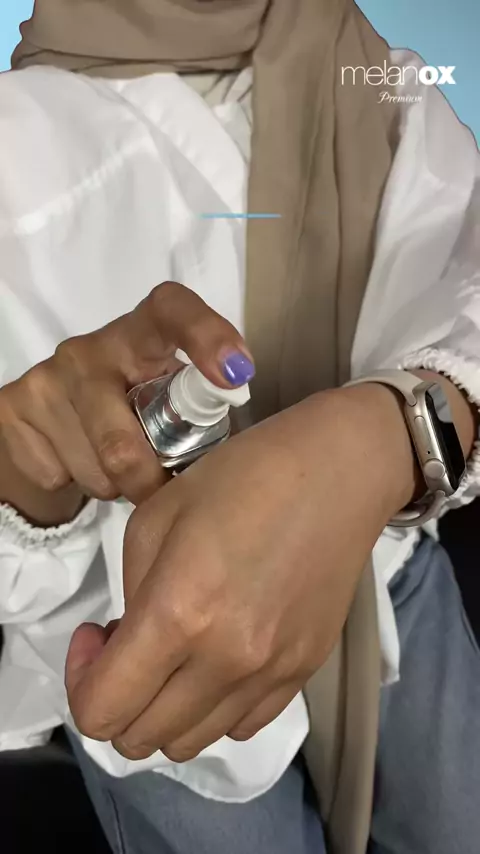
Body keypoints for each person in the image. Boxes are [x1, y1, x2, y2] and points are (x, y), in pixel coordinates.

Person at [0, 1, 479, 853]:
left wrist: (385, 435)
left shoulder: (383, 80)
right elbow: (26, 555)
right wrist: (28, 477)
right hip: (154, 651)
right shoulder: (17, 147)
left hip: (394, 575)